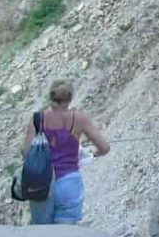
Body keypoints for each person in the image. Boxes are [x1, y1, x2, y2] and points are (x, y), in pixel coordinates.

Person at [22, 81, 110, 224]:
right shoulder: (80, 119)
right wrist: (92, 154)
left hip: (42, 184)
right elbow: (104, 147)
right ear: (70, 99)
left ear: (50, 97)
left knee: (42, 233)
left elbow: (26, 153)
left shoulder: (37, 120)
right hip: (70, 182)